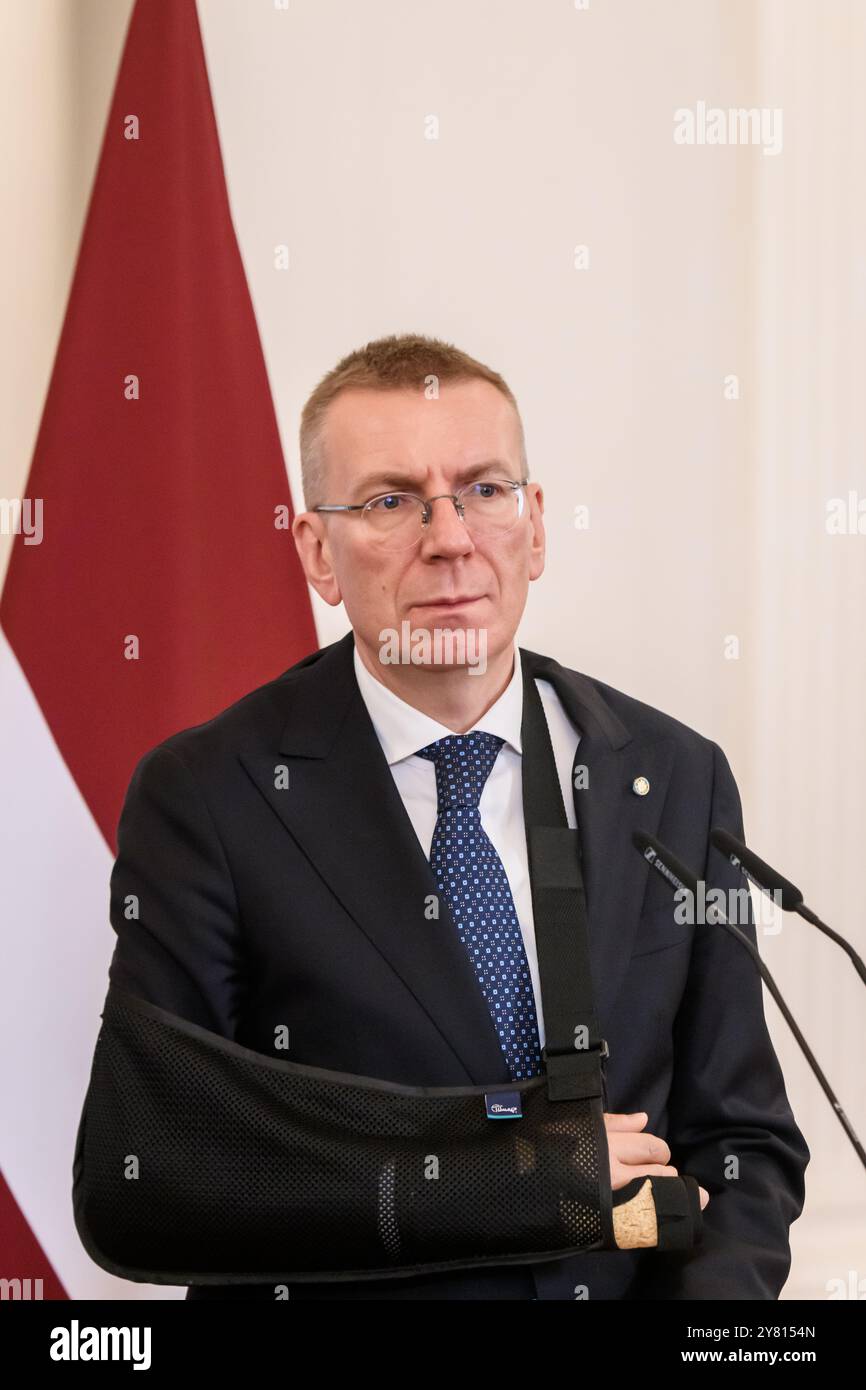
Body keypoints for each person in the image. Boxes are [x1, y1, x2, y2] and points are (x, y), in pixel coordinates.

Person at [104, 333, 808, 1300]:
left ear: (538, 525)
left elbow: (741, 1144)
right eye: (391, 501)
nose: (450, 538)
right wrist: (520, 1179)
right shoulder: (208, 796)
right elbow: (154, 1179)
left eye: (485, 490)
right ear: (317, 550)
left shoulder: (675, 776)